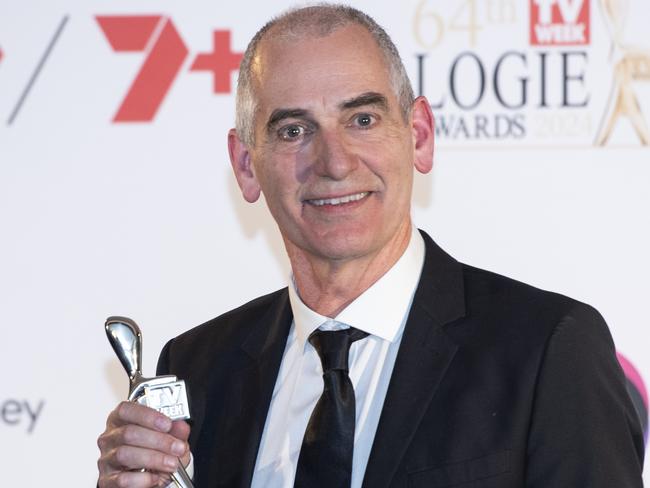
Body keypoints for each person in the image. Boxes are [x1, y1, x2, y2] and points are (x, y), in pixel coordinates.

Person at [96, 4, 645, 487]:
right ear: (246, 165)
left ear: (420, 136)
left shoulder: (547, 349)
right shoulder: (198, 367)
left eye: (362, 119)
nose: (334, 162)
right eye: (293, 130)